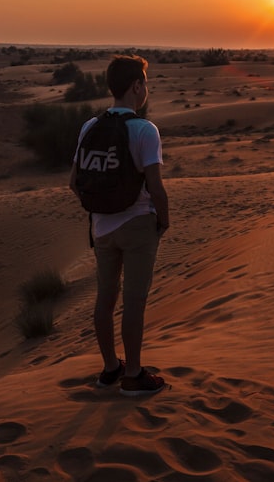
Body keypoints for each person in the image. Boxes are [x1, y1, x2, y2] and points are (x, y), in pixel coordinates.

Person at [69, 55, 170, 396]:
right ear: (136, 86)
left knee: (105, 300)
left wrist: (102, 207)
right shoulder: (144, 130)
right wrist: (163, 219)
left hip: (101, 228)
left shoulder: (89, 127)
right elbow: (156, 186)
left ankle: (111, 368)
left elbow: (73, 181)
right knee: (135, 301)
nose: (146, 89)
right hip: (138, 224)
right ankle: (134, 375)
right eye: (145, 82)